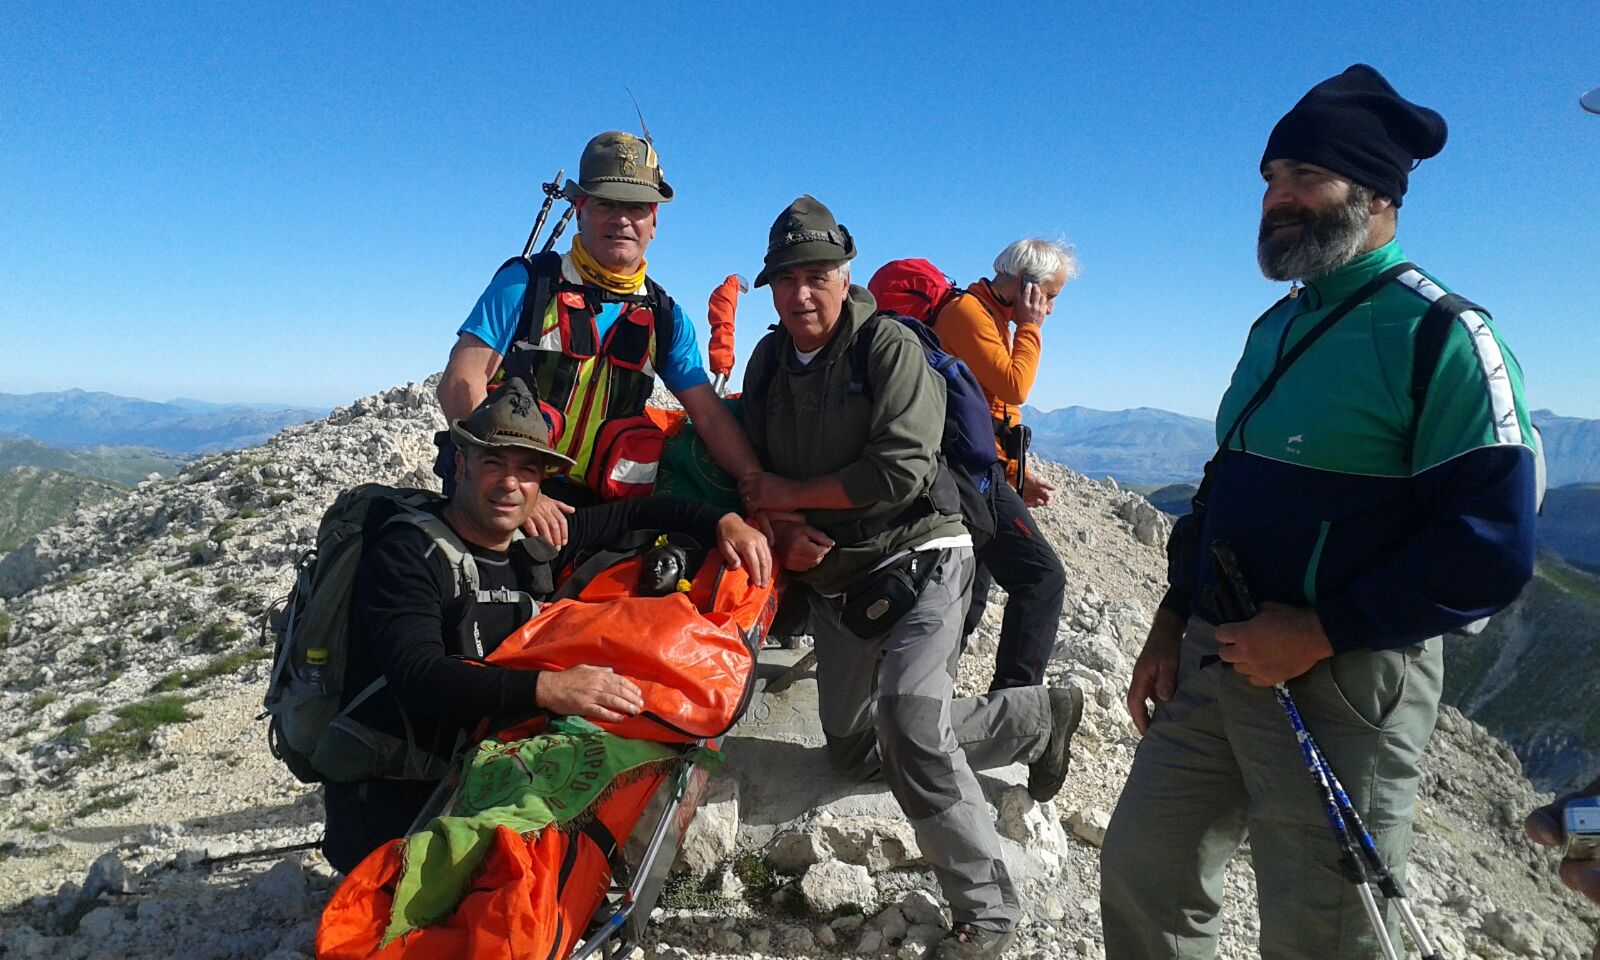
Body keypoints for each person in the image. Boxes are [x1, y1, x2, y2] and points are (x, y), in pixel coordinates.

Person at [1100, 64, 1540, 959]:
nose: (1277, 197)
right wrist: (1170, 620)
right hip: (1217, 650)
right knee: (1146, 869)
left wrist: (1319, 631)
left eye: (1305, 176)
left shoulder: (1443, 337)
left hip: (1342, 681)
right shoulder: (1277, 327)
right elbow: (1221, 493)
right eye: (1271, 178)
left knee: (1324, 933)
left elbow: (1492, 547)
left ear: (1377, 194)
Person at [738, 196, 1083, 960]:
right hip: (839, 580)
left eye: (818, 275)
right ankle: (1034, 719)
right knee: (858, 750)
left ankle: (987, 910)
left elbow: (898, 470)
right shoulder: (768, 363)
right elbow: (754, 473)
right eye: (787, 278)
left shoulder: (887, 347)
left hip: (923, 555)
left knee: (911, 726)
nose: (802, 293)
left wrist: (791, 498)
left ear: (846, 274)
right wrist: (783, 531)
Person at [322, 378, 770, 874]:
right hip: (392, 798)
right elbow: (419, 675)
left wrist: (723, 522)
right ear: (461, 465)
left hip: (473, 771)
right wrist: (550, 689)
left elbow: (637, 513)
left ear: (541, 484)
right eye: (494, 463)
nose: (510, 484)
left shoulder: (526, 540)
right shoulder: (409, 553)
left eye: (527, 470)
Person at [436, 130, 762, 545]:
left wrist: (754, 481)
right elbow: (460, 381)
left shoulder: (666, 317)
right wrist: (520, 493)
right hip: (510, 499)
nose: (621, 219)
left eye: (636, 207)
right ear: (580, 210)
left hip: (603, 511)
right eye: (606, 203)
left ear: (654, 221)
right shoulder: (526, 284)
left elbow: (710, 416)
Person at [933, 238, 1078, 690]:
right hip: (968, 472)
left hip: (984, 467)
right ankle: (1013, 705)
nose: (1049, 308)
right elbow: (1015, 386)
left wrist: (1016, 472)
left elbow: (995, 411)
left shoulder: (992, 316)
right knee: (1042, 577)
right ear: (1026, 284)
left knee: (970, 596)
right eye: (1048, 295)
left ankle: (926, 693)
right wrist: (1031, 327)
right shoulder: (968, 314)